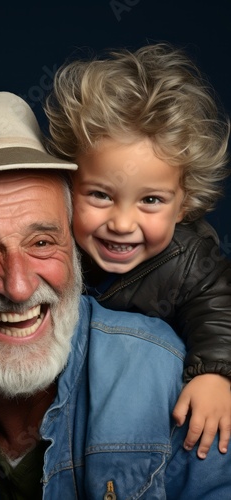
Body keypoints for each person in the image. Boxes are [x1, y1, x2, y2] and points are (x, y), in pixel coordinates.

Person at [0, 92, 230, 499]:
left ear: (70, 246)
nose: (18, 287)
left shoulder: (168, 377)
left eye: (40, 242)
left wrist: (214, 374)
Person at [44, 42, 231, 460]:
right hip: (64, 410)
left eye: (151, 201)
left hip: (144, 420)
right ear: (67, 187)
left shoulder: (191, 260)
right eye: (100, 195)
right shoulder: (51, 243)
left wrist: (215, 376)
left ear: (184, 204)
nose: (123, 223)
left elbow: (219, 315)